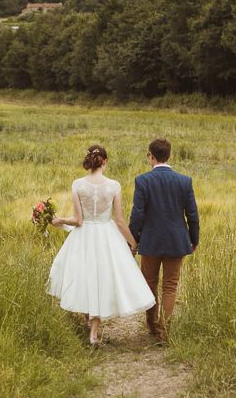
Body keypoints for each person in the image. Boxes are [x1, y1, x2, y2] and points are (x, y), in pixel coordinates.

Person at [47, 145, 155, 346]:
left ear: (90, 161)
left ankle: (87, 318)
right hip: (107, 236)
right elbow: (120, 221)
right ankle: (94, 334)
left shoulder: (78, 184)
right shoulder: (114, 186)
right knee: (101, 279)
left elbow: (78, 220)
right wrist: (133, 243)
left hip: (83, 236)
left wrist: (60, 220)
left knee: (84, 275)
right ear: (105, 161)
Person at [129, 137, 199, 346]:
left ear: (151, 156)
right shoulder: (184, 181)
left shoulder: (143, 181)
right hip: (177, 241)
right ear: (169, 155)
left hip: (150, 241)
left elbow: (137, 215)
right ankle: (164, 331)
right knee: (170, 286)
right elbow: (192, 215)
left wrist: (134, 239)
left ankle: (151, 324)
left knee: (149, 282)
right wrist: (193, 239)